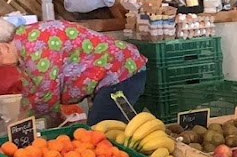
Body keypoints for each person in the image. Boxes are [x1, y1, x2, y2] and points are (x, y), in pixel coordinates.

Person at [0, 18, 147, 123]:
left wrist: (20, 123)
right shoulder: (24, 42)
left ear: (4, 48)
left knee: (100, 136)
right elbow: (32, 89)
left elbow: (45, 96)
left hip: (122, 73)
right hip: (113, 74)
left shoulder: (35, 49)